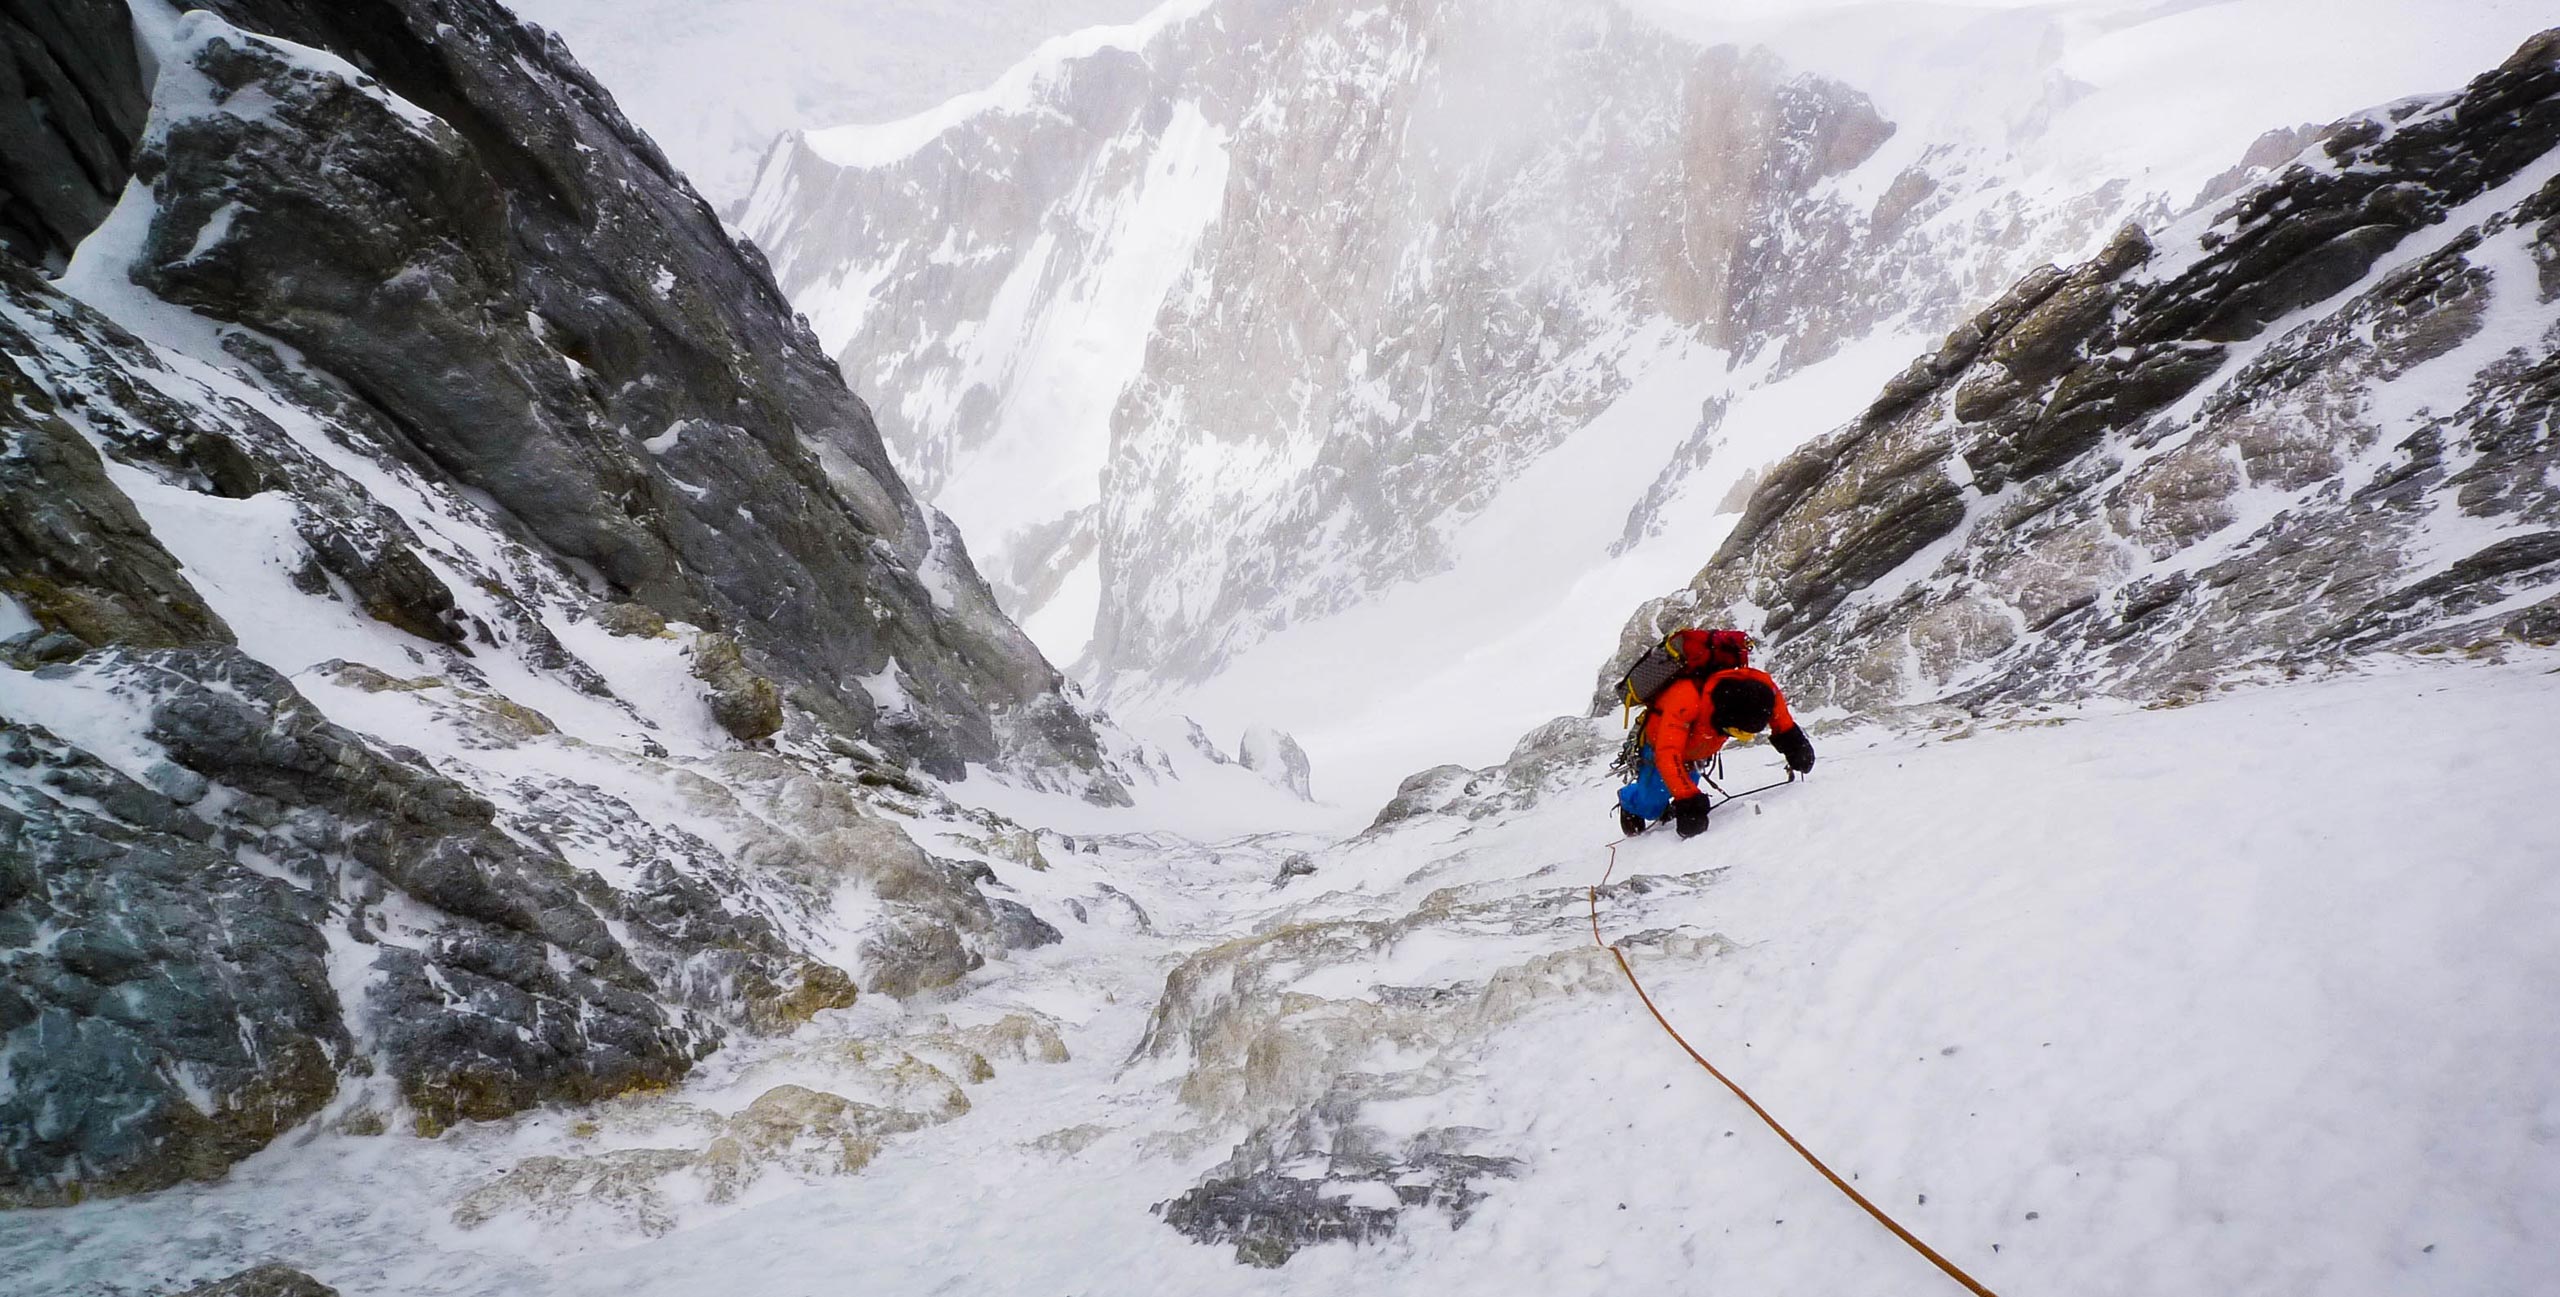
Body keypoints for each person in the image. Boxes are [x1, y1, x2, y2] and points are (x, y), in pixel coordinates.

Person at [1617, 636, 1814, 838]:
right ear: (1722, 718)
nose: (1742, 737)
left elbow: (1778, 711)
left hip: (1697, 750)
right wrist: (1688, 801)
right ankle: (1629, 802)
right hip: (1660, 746)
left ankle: (1669, 801)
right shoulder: (1686, 699)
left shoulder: (1761, 690)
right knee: (1651, 804)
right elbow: (1667, 754)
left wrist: (1794, 743)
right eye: (1737, 733)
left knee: (1684, 785)